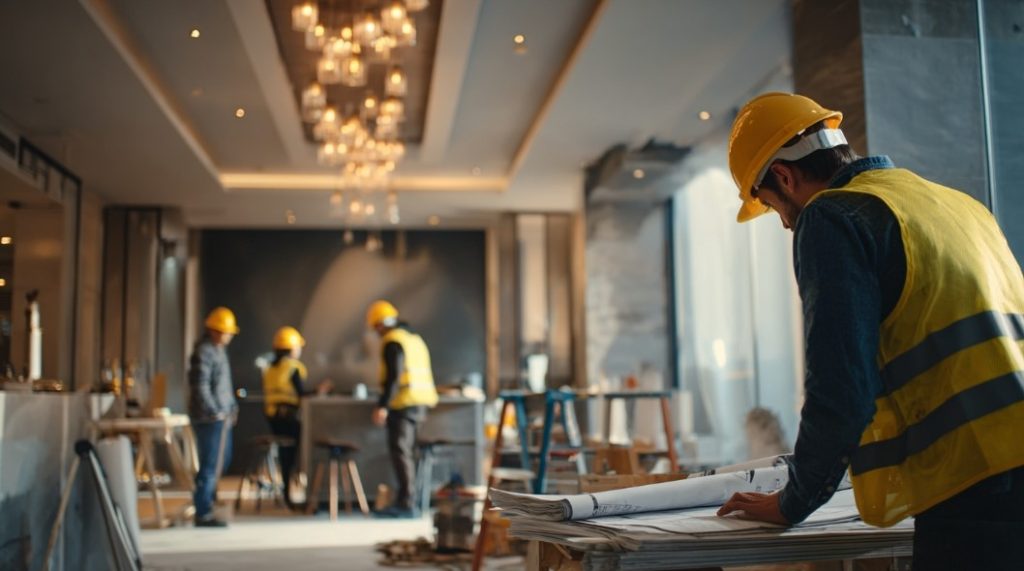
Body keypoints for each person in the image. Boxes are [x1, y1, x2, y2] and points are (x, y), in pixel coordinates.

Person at [715, 92, 1024, 569]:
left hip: (979, 484)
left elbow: (841, 387)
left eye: (774, 208)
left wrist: (793, 501)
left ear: (784, 177)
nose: (785, 225)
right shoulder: (956, 204)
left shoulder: (832, 215)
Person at [366, 300, 438, 517]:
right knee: (406, 452)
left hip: (405, 402)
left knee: (400, 451)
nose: (377, 333)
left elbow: (393, 377)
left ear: (381, 324)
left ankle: (406, 503)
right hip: (420, 402)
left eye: (376, 327)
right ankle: (407, 500)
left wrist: (382, 405)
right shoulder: (414, 339)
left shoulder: (393, 341)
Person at [261, 325, 330, 510]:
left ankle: (288, 491)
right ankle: (294, 491)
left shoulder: (270, 369)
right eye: (298, 346)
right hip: (288, 418)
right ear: (292, 348)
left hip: (273, 418)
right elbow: (302, 395)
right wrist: (319, 391)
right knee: (295, 452)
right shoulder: (292, 367)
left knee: (285, 453)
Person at [187, 307, 240, 528]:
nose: (228, 336)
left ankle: (208, 504)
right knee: (210, 465)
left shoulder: (219, 351)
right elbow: (200, 386)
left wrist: (231, 407)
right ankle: (203, 512)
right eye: (225, 332)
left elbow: (223, 385)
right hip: (210, 418)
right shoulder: (204, 352)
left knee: (220, 462)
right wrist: (214, 410)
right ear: (214, 330)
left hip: (221, 416)